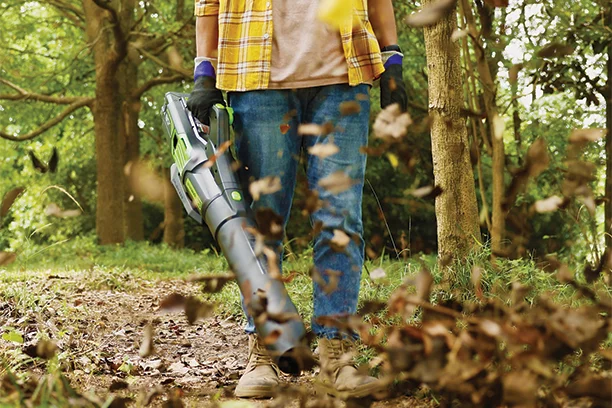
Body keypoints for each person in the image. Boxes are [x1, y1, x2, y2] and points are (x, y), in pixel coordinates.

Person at [187, 0, 407, 399]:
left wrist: (391, 58)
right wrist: (205, 69)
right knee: (262, 222)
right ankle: (265, 348)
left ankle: (336, 353)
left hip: (343, 76)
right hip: (257, 81)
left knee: (340, 220)